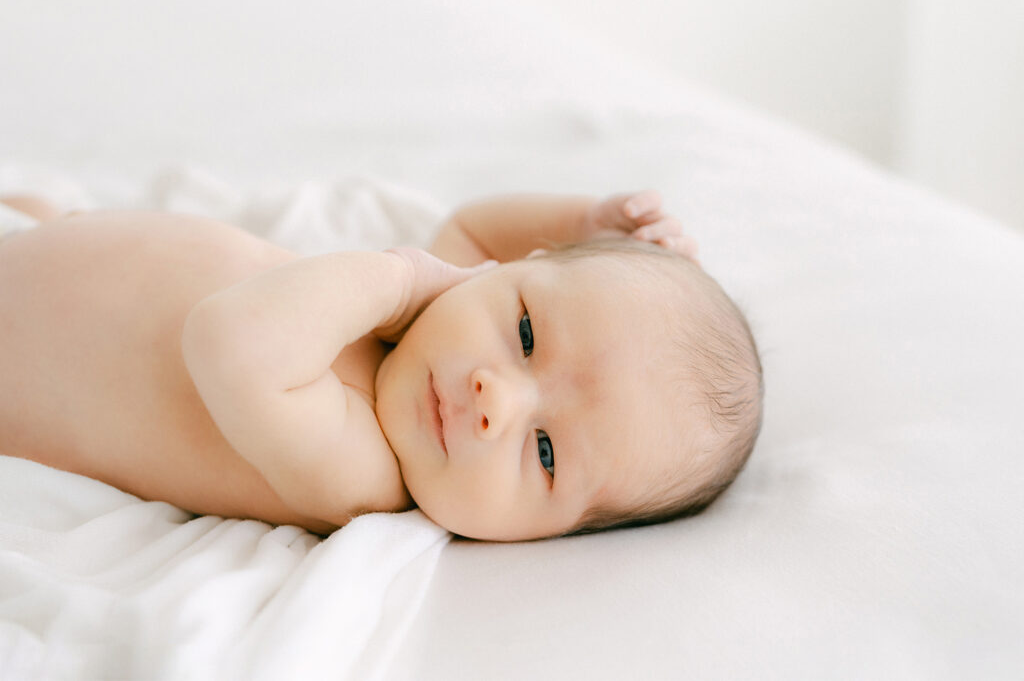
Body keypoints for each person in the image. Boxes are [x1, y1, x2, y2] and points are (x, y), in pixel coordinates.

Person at [0, 189, 762, 541]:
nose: (495, 396)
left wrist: (401, 276)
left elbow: (225, 340)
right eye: (527, 332)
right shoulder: (436, 336)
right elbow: (470, 225)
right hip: (59, 251)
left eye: (546, 451)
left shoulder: (365, 469)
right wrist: (582, 224)